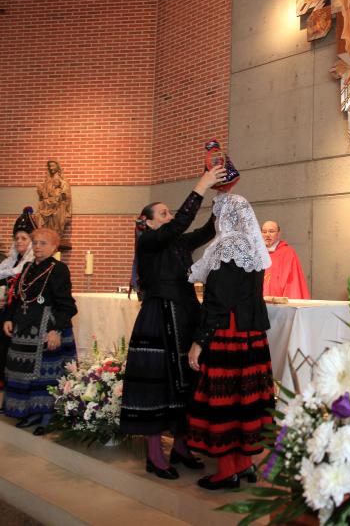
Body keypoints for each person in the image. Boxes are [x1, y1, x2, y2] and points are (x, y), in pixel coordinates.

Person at [119, 166, 227, 480]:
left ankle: (181, 446)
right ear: (149, 221)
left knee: (185, 384)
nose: (169, 217)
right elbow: (181, 222)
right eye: (163, 213)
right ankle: (154, 454)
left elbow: (207, 231)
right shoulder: (149, 242)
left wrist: (221, 201)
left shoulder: (177, 243)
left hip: (185, 313)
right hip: (159, 317)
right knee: (158, 385)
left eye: (169, 213)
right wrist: (202, 184)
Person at [186, 192, 275, 490]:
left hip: (229, 332)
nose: (214, 219)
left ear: (226, 216)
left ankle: (227, 470)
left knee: (225, 401)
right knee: (245, 399)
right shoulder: (253, 245)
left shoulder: (227, 245)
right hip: (251, 334)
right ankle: (244, 464)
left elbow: (219, 300)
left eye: (216, 213)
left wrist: (200, 340)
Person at [1, 227, 77, 436]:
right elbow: (16, 297)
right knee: (21, 372)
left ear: (54, 247)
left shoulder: (58, 269)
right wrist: (8, 317)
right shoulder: (26, 268)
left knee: (45, 376)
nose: (38, 247)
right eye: (35, 243)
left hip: (47, 328)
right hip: (24, 327)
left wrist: (56, 330)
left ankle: (47, 416)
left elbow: (67, 305)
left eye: (43, 243)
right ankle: (31, 412)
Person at [0, 207, 36, 390]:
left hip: (19, 317)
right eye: (17, 238)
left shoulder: (33, 265)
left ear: (32, 241)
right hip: (2, 315)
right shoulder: (9, 264)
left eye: (24, 238)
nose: (19, 241)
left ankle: (14, 386)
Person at [261, 220, 310, 299]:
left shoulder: (287, 253)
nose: (267, 235)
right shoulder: (256, 253)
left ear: (278, 234)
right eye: (264, 232)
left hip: (278, 301)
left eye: (271, 231)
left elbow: (292, 282)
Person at [35, 161, 72, 237]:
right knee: (42, 224)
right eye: (49, 166)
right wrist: (40, 190)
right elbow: (43, 196)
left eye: (53, 166)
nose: (51, 168)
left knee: (56, 228)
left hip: (58, 207)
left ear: (57, 167)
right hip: (47, 206)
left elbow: (66, 196)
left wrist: (68, 212)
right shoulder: (47, 182)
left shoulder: (63, 181)